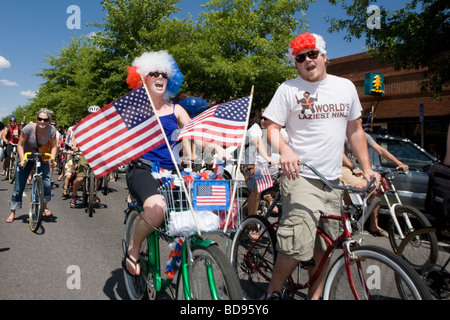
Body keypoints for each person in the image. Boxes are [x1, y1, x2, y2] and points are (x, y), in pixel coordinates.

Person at [262, 32, 380, 300]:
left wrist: (367, 167)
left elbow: (355, 130)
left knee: (326, 246)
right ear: (296, 64)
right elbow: (270, 128)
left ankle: (316, 297)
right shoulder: (288, 89)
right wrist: (286, 150)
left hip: (333, 180)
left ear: (325, 57)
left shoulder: (345, 87)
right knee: (296, 244)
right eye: (300, 58)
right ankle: (274, 290)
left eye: (312, 54)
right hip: (301, 175)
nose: (307, 60)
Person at [122, 51, 213, 276]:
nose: (160, 77)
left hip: (174, 172)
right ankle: (133, 251)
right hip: (142, 169)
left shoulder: (177, 109)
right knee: (157, 210)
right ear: (143, 78)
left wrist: (219, 148)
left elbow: (196, 135)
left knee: (201, 212)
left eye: (164, 73)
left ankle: (185, 255)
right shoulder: (134, 109)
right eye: (154, 73)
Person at [341, 124, 409, 237]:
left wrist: (399, 163)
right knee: (358, 186)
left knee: (376, 189)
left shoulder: (363, 136)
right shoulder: (343, 133)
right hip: (342, 167)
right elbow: (340, 153)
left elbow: (380, 150)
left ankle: (374, 226)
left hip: (355, 169)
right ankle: (344, 220)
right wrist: (352, 167)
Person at [6, 109, 57, 223]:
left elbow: (54, 146)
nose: (42, 122)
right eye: (40, 119)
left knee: (47, 183)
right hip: (27, 156)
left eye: (45, 120)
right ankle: (12, 212)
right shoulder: (28, 128)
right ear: (36, 119)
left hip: (42, 156)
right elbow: (20, 145)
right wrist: (22, 159)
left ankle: (44, 206)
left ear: (49, 121)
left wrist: (52, 158)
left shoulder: (51, 130)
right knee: (19, 186)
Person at [241, 117, 279, 223]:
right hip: (250, 164)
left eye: (267, 119)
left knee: (290, 176)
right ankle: (251, 224)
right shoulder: (255, 127)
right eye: (262, 118)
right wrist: (268, 158)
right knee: (258, 183)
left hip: (266, 166)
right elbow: (257, 142)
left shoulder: (275, 130)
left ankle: (269, 195)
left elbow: (286, 143)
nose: (263, 121)